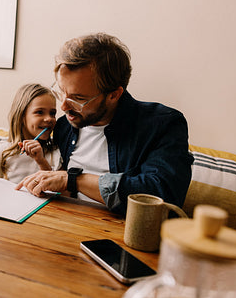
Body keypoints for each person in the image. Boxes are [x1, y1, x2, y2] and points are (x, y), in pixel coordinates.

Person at [17, 33, 194, 214]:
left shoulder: (163, 125)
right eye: (61, 91)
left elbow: (163, 195)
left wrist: (73, 180)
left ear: (114, 95)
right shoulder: (64, 127)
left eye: (78, 98)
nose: (63, 105)